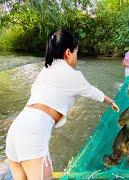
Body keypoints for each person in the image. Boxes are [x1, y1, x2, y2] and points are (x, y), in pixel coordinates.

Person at [5, 30, 119, 179]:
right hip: (32, 136)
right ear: (67, 53)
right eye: (76, 52)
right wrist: (111, 102)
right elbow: (93, 92)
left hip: (15, 132)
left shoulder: (45, 70)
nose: (76, 57)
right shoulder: (73, 75)